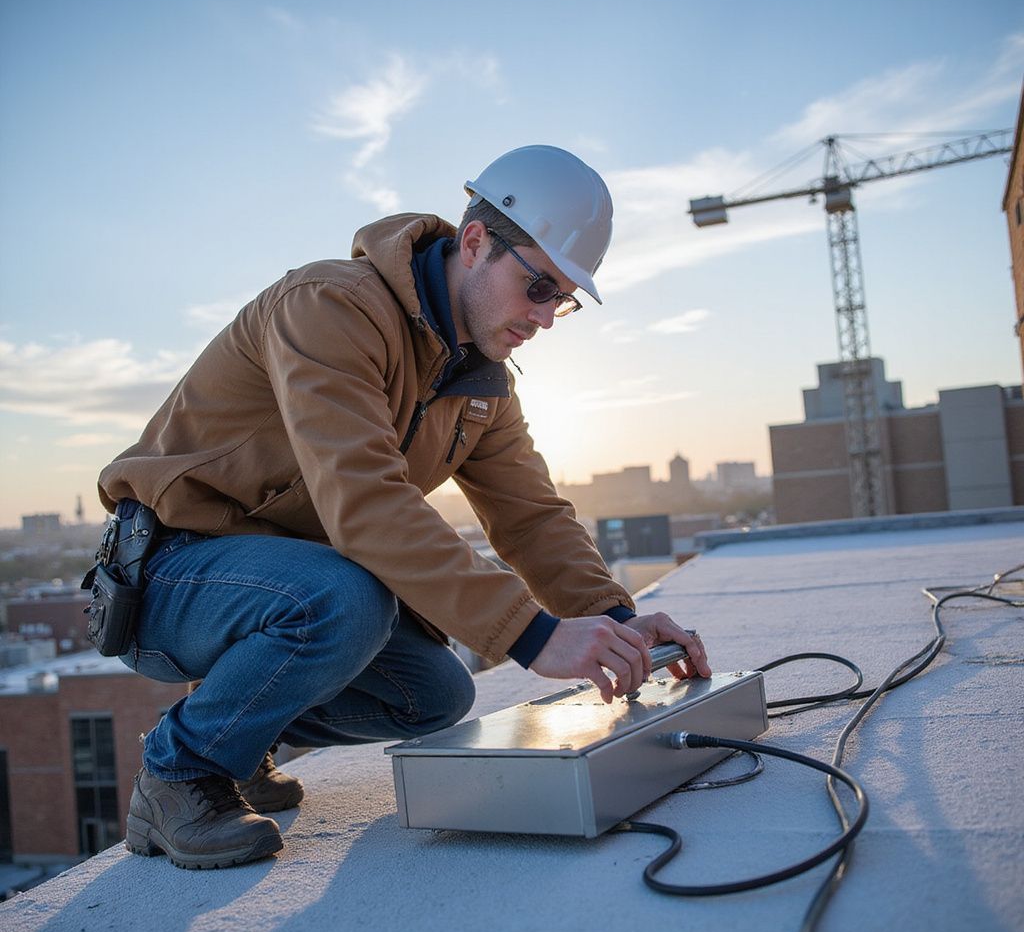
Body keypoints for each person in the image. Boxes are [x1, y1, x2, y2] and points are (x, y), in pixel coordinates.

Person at [93, 144, 711, 871]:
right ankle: (179, 772)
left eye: (563, 299)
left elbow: (531, 517)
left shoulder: (478, 380)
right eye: (537, 285)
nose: (545, 317)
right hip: (172, 574)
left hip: (283, 583)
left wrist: (619, 623)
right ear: (475, 243)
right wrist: (535, 635)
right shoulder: (329, 307)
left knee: (432, 695)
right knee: (346, 599)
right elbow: (362, 498)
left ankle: (238, 732)